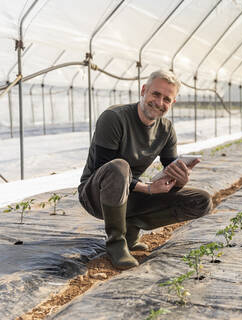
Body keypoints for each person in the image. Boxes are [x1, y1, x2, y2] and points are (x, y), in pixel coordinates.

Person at [78, 69, 213, 269]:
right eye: (156, 94)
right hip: (96, 194)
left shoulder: (166, 129)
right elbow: (103, 167)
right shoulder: (114, 118)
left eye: (167, 99)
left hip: (131, 194)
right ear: (144, 90)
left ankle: (132, 227)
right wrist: (148, 188)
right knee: (119, 166)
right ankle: (116, 242)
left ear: (172, 103)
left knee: (201, 201)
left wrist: (180, 179)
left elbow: (169, 168)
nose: (159, 103)